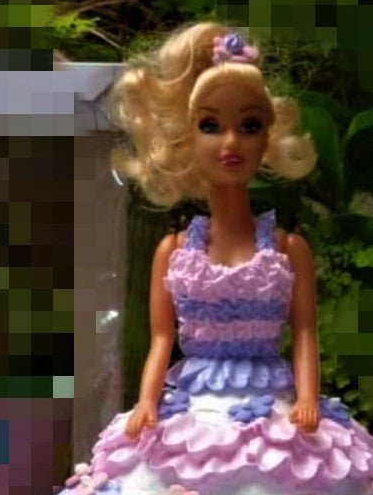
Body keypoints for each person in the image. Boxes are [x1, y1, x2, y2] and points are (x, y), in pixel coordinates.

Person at [109, 23, 323, 440]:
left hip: (273, 408)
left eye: (249, 126)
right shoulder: (173, 252)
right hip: (196, 408)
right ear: (185, 138)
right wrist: (147, 401)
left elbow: (304, 333)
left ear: (268, 137)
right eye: (210, 126)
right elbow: (161, 339)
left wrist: (308, 397)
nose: (231, 142)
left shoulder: (288, 249)